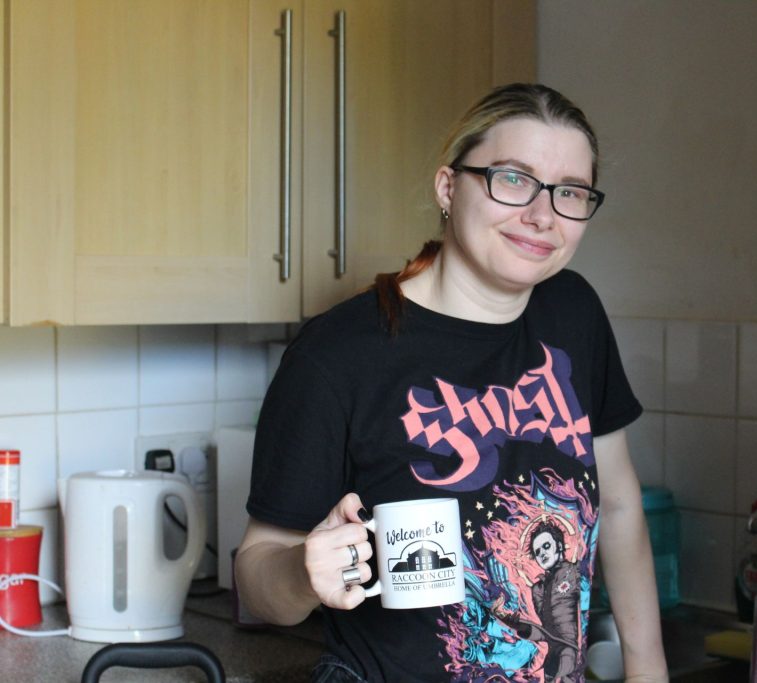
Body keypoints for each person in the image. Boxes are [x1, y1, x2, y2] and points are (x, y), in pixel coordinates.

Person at [235, 82, 668, 683]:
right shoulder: (338, 354)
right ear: (448, 187)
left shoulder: (574, 314)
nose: (542, 215)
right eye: (513, 179)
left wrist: (648, 671)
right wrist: (301, 573)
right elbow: (257, 575)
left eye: (568, 192)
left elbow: (618, 504)